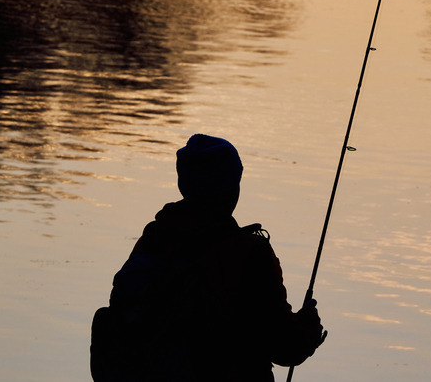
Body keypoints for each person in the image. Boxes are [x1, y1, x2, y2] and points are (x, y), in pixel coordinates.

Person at [91, 134, 326, 381]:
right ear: (231, 189)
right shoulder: (249, 253)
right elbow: (284, 347)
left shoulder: (154, 237)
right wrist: (308, 326)